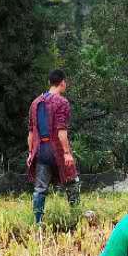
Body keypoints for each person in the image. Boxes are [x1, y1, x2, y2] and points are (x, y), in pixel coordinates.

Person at [27, 68, 79, 226]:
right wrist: (67, 153)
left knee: (40, 188)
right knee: (72, 180)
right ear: (62, 82)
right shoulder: (61, 102)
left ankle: (38, 222)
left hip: (40, 151)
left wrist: (30, 153)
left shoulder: (35, 103)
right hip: (55, 149)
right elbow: (61, 131)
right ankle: (75, 215)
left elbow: (31, 133)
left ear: (50, 82)